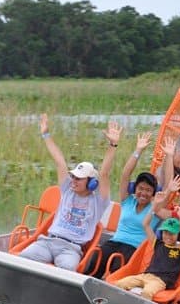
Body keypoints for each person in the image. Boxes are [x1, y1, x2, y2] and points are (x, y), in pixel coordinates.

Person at [18, 114, 122, 271]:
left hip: (70, 249)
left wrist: (113, 144)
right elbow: (59, 161)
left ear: (91, 183)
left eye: (79, 178)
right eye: (73, 176)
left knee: (67, 270)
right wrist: (46, 134)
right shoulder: (67, 189)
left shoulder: (98, 201)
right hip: (47, 242)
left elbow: (105, 173)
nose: (73, 180)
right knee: (22, 259)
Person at [96, 134, 178, 277]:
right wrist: (138, 150)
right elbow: (125, 175)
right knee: (94, 261)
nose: (143, 193)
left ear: (153, 193)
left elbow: (167, 185)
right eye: (141, 188)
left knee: (116, 268)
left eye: (148, 190)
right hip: (115, 242)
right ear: (135, 188)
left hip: (134, 249)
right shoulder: (127, 200)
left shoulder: (156, 206)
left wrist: (170, 156)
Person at [112, 201, 180, 300]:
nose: (167, 236)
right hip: (144, 276)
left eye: (171, 233)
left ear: (178, 234)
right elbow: (145, 224)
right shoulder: (158, 244)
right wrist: (153, 207)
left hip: (160, 281)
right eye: (165, 232)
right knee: (120, 284)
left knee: (147, 292)